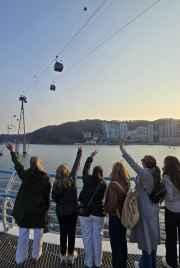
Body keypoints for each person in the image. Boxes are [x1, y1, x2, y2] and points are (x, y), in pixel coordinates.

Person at [6, 144, 51, 266]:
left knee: (23, 235)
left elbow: (17, 165)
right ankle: (36, 256)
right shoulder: (46, 179)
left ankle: (20, 259)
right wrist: (46, 211)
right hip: (38, 212)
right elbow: (47, 199)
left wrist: (12, 151)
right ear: (40, 164)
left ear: (30, 165)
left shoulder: (25, 175)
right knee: (38, 236)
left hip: (25, 212)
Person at [120, 143, 160, 268]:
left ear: (145, 163)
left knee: (146, 241)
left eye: (142, 162)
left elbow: (132, 164)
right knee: (152, 242)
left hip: (145, 210)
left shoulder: (145, 173)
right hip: (154, 210)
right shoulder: (155, 174)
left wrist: (123, 150)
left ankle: (146, 265)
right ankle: (149, 264)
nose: (141, 164)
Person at [52, 147, 82, 265]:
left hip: (61, 213)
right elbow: (76, 167)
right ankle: (70, 256)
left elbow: (54, 198)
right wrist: (79, 153)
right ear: (67, 172)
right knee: (72, 233)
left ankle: (63, 256)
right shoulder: (71, 179)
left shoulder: (55, 184)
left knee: (63, 234)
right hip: (73, 212)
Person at [79, 151, 107, 268]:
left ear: (93, 172)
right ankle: (98, 262)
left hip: (85, 212)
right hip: (98, 213)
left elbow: (85, 170)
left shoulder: (86, 179)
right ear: (101, 173)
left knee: (87, 236)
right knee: (98, 237)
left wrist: (90, 157)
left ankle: (89, 262)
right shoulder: (103, 184)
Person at [104, 162, 129, 268]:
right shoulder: (127, 183)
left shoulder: (113, 185)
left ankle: (116, 265)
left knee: (115, 244)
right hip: (124, 216)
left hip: (115, 217)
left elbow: (112, 204)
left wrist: (105, 209)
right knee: (123, 241)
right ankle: (123, 264)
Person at [162, 156, 180, 268]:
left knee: (171, 238)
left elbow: (170, 197)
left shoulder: (167, 178)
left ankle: (171, 262)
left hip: (171, 211)